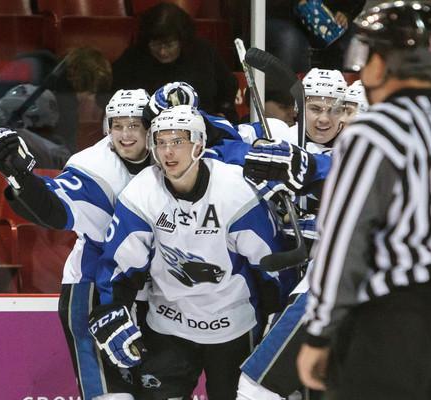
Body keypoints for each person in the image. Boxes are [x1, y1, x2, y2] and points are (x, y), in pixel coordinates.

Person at [297, 3, 431, 400]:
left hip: (391, 327)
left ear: (381, 62)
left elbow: (344, 240)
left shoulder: (373, 133)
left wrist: (320, 330)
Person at [90, 105, 291, 400]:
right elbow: (120, 268)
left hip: (233, 328)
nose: (168, 152)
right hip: (168, 327)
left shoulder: (235, 190)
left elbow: (271, 265)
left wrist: (278, 314)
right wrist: (112, 309)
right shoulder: (142, 193)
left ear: (199, 144)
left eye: (177, 142)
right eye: (161, 142)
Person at [0, 88, 152, 400]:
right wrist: (21, 178)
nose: (125, 135)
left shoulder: (170, 154)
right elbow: (52, 208)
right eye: (117, 125)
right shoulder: (95, 168)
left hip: (152, 293)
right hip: (93, 290)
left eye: (134, 125)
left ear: (150, 126)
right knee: (111, 396)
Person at [235, 72, 368, 400]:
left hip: (332, 289)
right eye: (316, 107)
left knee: (263, 386)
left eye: (337, 110)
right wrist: (255, 158)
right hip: (281, 279)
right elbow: (225, 144)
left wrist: (304, 168)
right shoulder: (279, 134)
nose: (326, 118)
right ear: (299, 107)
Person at [111, 3, 238, 122]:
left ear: (182, 41)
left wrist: (222, 114)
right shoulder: (134, 57)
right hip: (147, 131)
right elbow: (112, 94)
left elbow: (228, 87)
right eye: (155, 44)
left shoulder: (203, 53)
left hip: (202, 127)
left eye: (169, 44)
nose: (162, 52)